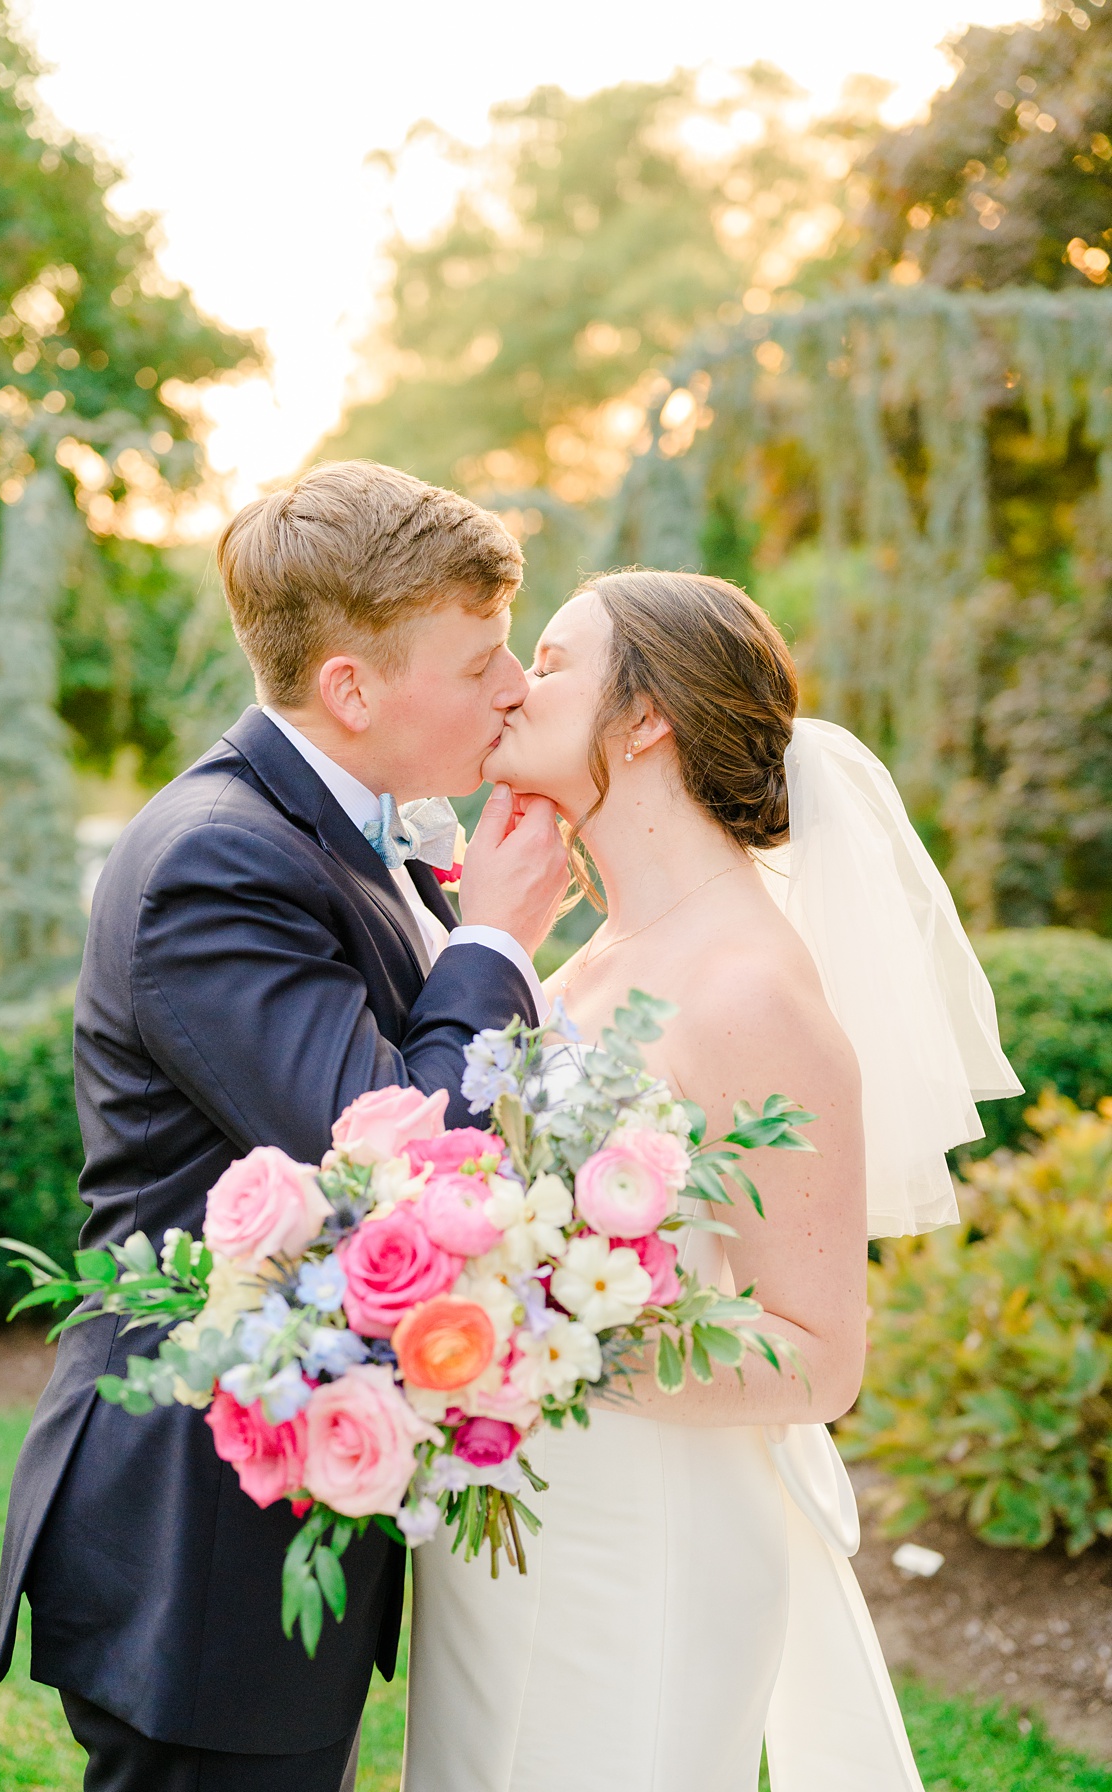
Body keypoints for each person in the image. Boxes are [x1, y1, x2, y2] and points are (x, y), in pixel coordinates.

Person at [0, 461, 570, 1791]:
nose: (514, 689)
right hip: (198, 1540)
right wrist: (494, 938)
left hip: (271, 1515)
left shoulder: (338, 831)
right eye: (481, 660)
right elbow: (392, 1163)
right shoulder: (217, 856)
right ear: (353, 689)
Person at [404, 570, 1016, 1791]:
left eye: (557, 659)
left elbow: (819, 1356)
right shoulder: (597, 953)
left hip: (642, 1545)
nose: (517, 686)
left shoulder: (752, 990)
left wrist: (527, 1344)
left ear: (646, 721)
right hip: (526, 1523)